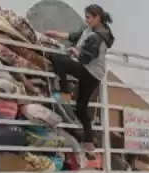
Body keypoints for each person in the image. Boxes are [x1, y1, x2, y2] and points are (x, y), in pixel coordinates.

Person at [45, 5, 114, 158]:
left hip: (89, 72)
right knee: (81, 107)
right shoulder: (90, 30)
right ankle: (89, 141)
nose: (86, 20)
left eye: (89, 17)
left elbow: (85, 58)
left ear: (97, 18)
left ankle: (64, 94)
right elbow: (74, 36)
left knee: (59, 60)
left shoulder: (97, 37)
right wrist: (55, 34)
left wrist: (75, 51)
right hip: (95, 74)